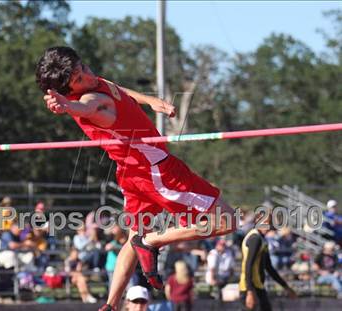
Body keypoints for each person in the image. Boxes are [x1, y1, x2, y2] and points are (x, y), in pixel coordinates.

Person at [36, 46, 237, 311]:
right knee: (226, 220)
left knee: (133, 239)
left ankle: (110, 305)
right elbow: (87, 106)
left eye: (82, 67)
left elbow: (116, 88)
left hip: (132, 173)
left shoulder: (97, 86)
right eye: (78, 79)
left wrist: (149, 101)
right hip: (156, 171)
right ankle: (154, 241)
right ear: (71, 90)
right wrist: (67, 106)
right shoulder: (93, 103)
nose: (88, 74)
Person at [239, 212, 297, 311]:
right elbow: (248, 265)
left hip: (258, 286)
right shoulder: (255, 239)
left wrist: (285, 287)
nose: (268, 226)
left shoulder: (262, 240)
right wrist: (249, 292)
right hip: (251, 287)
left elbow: (269, 267)